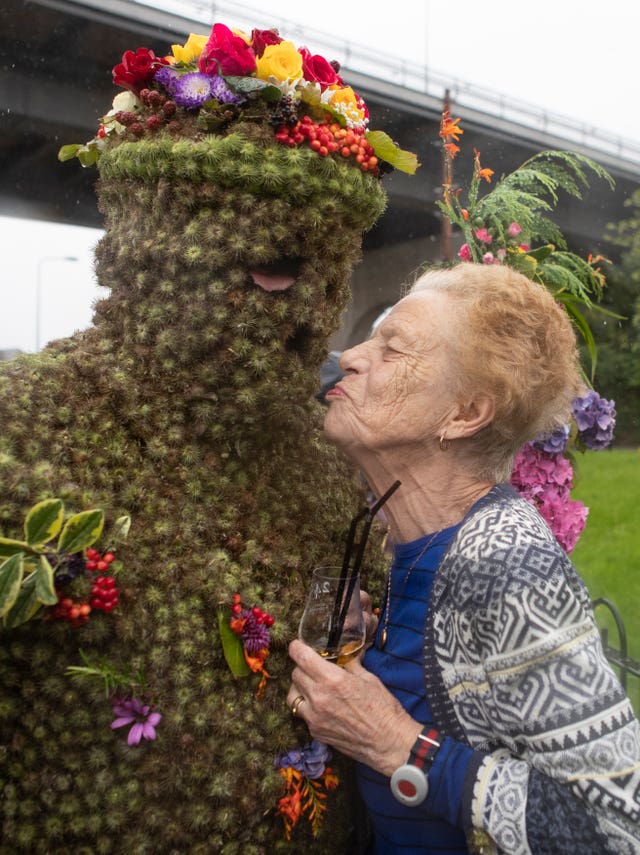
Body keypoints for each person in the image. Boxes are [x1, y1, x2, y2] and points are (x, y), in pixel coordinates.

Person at [287, 262, 640, 854]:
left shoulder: (505, 568)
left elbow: (616, 831)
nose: (349, 356)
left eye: (391, 348)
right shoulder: (416, 542)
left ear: (464, 414)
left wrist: (396, 743)